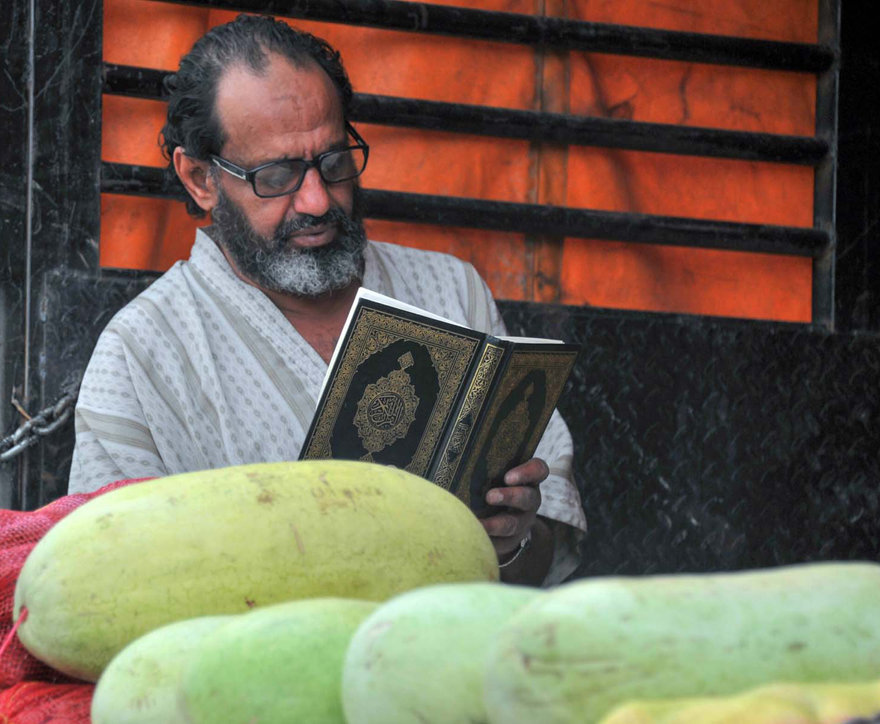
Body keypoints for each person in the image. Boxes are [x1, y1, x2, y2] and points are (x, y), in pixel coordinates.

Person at [70, 15, 585, 585]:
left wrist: (510, 542)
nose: (316, 200)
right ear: (199, 178)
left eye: (333, 162)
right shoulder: (140, 354)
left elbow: (543, 557)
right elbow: (105, 582)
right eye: (277, 175)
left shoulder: (451, 291)